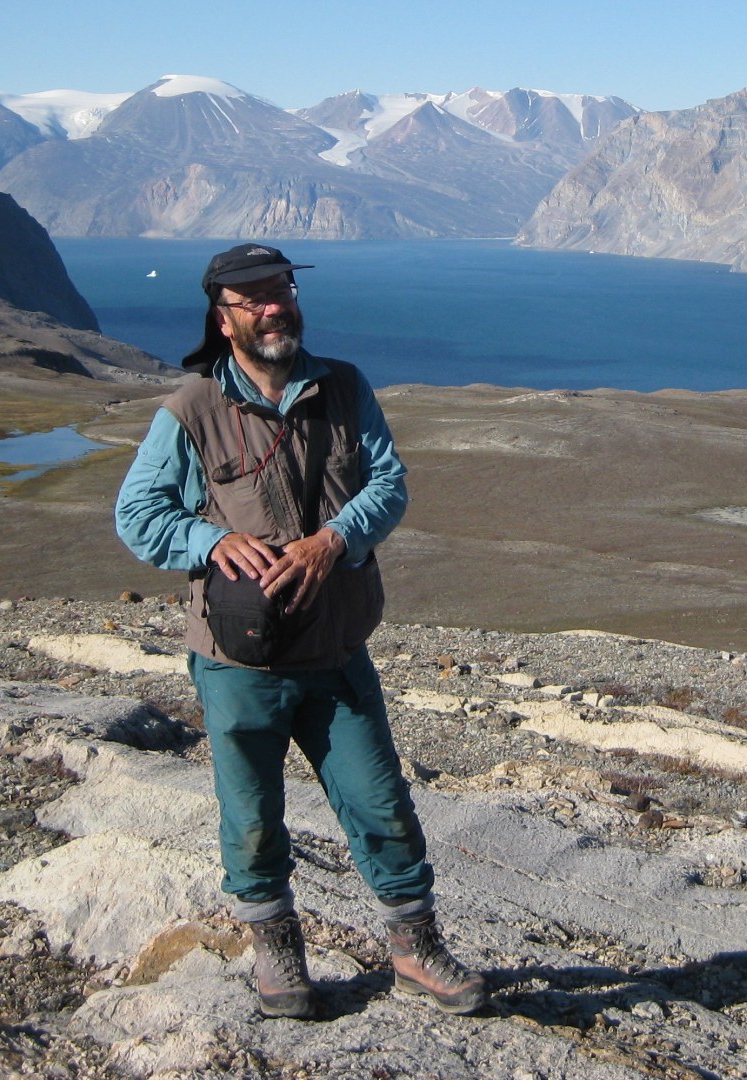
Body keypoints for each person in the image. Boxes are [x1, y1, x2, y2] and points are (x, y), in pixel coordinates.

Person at [114, 243, 486, 1019]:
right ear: (225, 319)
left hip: (335, 650)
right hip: (237, 663)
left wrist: (334, 540)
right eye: (253, 298)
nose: (273, 305)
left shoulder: (344, 389)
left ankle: (415, 945)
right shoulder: (189, 410)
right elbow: (139, 516)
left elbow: (388, 483)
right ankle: (277, 953)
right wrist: (210, 541)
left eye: (279, 288)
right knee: (250, 819)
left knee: (380, 802)